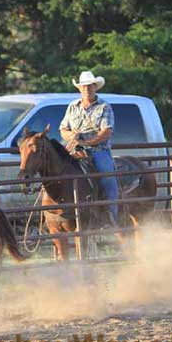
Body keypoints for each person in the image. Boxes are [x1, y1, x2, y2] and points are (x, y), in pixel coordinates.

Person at [59, 70, 119, 227]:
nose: (87, 89)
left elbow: (106, 132)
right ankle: (56, 211)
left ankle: (111, 214)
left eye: (90, 86)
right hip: (74, 149)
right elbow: (63, 129)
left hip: (98, 151)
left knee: (107, 177)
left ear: (95, 87)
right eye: (84, 87)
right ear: (79, 89)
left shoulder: (104, 106)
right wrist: (71, 135)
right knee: (56, 171)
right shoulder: (73, 106)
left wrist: (87, 143)